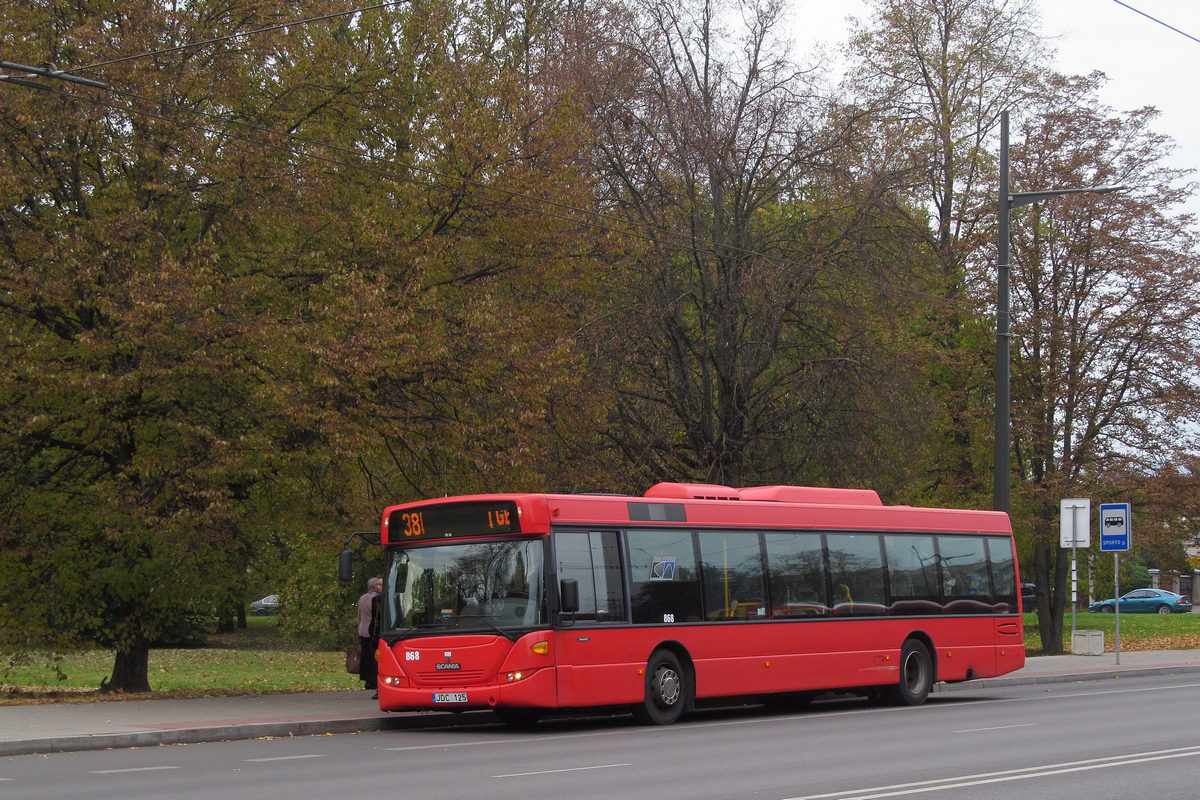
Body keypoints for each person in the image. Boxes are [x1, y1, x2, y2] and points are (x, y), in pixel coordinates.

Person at [358, 577, 382, 695]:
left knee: (366, 656)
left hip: (362, 630)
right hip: (371, 631)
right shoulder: (376, 599)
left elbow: (359, 615)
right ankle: (373, 679)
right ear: (375, 586)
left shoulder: (362, 598)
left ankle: (368, 680)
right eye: (379, 585)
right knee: (374, 657)